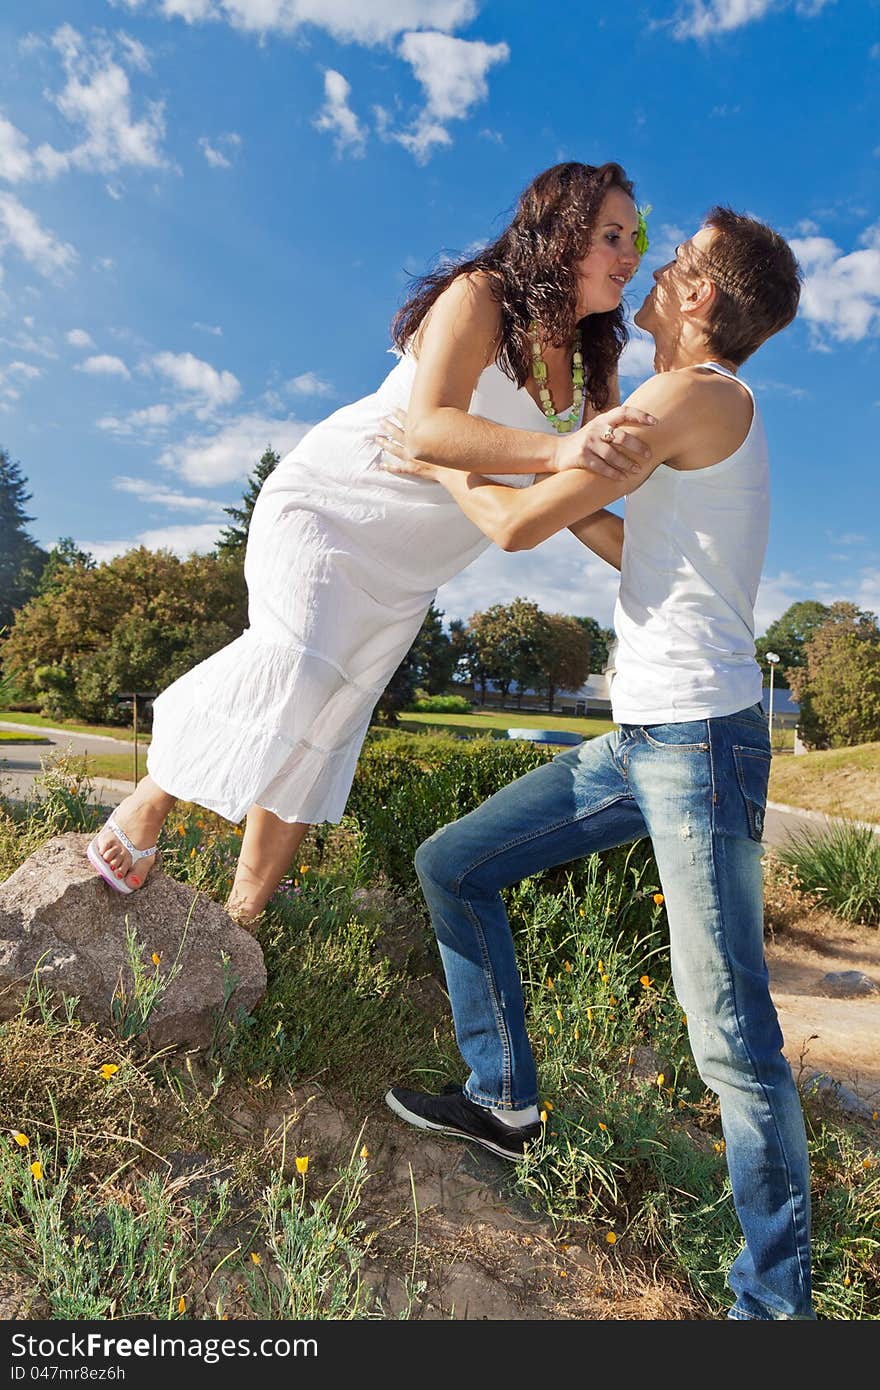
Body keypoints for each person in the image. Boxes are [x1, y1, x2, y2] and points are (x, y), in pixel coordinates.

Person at [381, 207, 816, 1321]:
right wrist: (558, 471)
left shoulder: (695, 392)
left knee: (731, 1037)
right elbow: (630, 545)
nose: (653, 272)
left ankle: (773, 1308)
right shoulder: (688, 418)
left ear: (703, 302)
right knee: (454, 864)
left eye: (673, 264)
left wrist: (435, 460)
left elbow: (520, 523)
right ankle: (505, 1102)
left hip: (700, 742)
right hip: (645, 739)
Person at [86, 161, 658, 926]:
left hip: (412, 565)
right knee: (296, 661)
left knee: (328, 720)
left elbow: (583, 500)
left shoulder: (596, 359)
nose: (631, 255)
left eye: (635, 238)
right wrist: (562, 452)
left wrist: (659, 559)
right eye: (612, 235)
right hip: (335, 506)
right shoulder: (482, 296)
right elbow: (431, 429)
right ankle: (153, 797)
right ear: (559, 235)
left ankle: (245, 918)